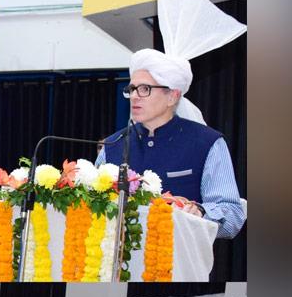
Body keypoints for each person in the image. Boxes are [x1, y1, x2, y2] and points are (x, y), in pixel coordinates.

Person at [99, 50, 244, 239]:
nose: (135, 96)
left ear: (172, 96)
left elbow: (233, 215)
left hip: (181, 263)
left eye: (145, 89)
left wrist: (200, 212)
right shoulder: (112, 145)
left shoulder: (207, 143)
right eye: (132, 89)